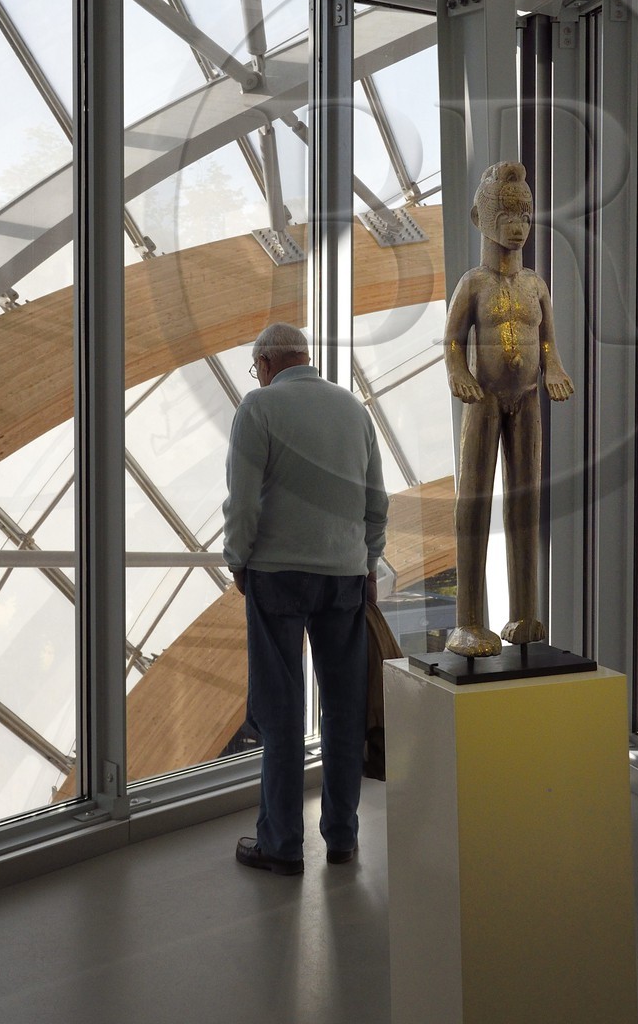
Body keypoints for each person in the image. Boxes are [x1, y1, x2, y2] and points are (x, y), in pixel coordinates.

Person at [223, 322, 387, 875]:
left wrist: (237, 560)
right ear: (305, 358)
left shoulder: (259, 409)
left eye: (255, 368)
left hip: (277, 575)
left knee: (281, 710)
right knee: (343, 710)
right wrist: (367, 559)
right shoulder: (354, 411)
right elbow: (376, 502)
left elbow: (242, 503)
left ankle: (281, 844)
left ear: (266, 364)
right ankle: (342, 836)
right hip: (343, 575)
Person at [444, 161, 573, 656]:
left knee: (525, 502)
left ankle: (525, 614)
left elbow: (547, 343)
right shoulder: (473, 284)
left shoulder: (536, 285)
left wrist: (555, 370)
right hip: (486, 398)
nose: (518, 224)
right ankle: (468, 621)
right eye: (507, 212)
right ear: (481, 216)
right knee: (474, 502)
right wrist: (458, 373)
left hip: (527, 401)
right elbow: (454, 341)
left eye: (525, 212)